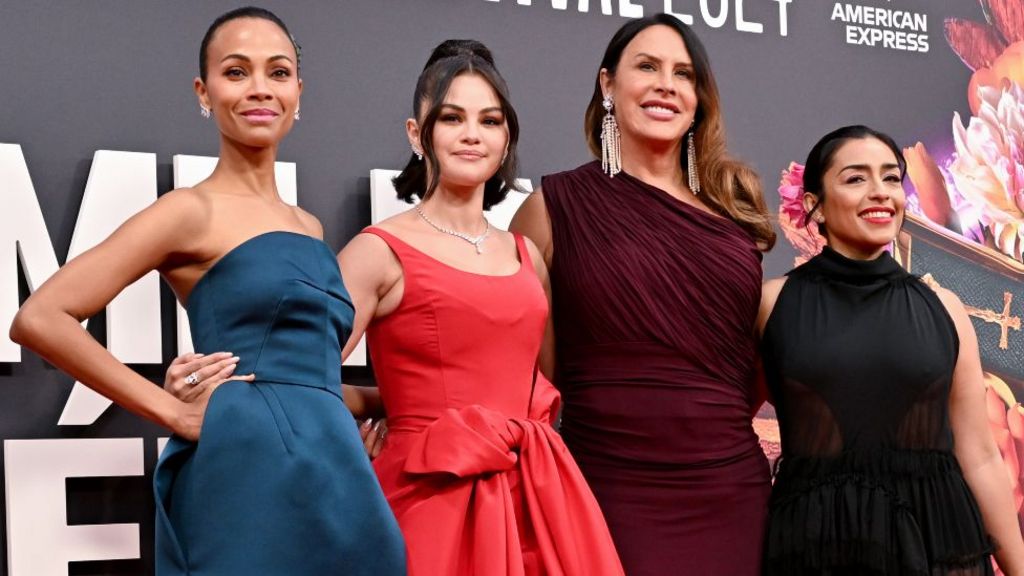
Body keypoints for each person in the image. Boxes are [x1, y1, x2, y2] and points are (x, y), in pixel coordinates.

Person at [9, 8, 405, 574]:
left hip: (335, 471)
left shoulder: (310, 227)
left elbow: (304, 381)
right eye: (237, 72)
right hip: (245, 470)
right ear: (204, 91)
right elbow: (42, 318)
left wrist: (394, 402)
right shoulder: (188, 211)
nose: (260, 89)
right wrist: (172, 411)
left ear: (298, 91)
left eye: (278, 72)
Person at [338, 40, 624, 575]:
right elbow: (303, 377)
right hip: (430, 495)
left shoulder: (526, 255)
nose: (472, 134)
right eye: (451, 118)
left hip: (539, 497)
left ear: (506, 137)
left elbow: (541, 378)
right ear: (415, 134)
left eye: (489, 121)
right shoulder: (378, 251)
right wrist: (393, 408)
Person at [509, 14, 776, 575]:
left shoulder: (735, 218)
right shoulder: (552, 208)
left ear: (699, 98)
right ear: (608, 85)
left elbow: (749, 364)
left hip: (730, 490)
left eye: (684, 74)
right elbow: (534, 362)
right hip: (606, 483)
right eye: (647, 67)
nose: (666, 85)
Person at [757, 125, 1024, 575]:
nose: (880, 193)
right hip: (816, 544)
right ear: (812, 205)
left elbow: (978, 456)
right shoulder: (771, 303)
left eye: (891, 178)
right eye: (856, 178)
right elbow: (725, 421)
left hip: (937, 540)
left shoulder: (945, 309)